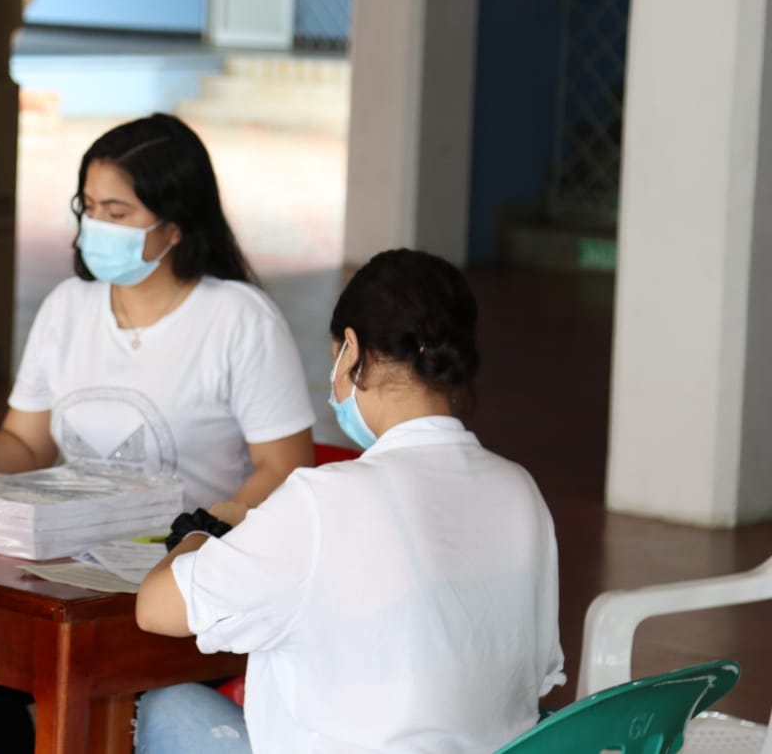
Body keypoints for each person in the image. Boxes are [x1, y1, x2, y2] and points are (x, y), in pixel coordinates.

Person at [0, 113, 317, 752]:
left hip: (174, 584)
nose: (96, 226)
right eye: (88, 207)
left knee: (95, 686)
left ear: (173, 226)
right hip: (65, 568)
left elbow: (285, 467)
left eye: (118, 211)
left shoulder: (237, 321)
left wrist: (207, 525)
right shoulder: (68, 309)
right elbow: (26, 444)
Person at [135, 248, 565, 754]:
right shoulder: (520, 491)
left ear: (353, 351)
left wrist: (204, 528)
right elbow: (531, 677)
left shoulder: (326, 499)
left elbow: (157, 608)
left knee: (166, 707)